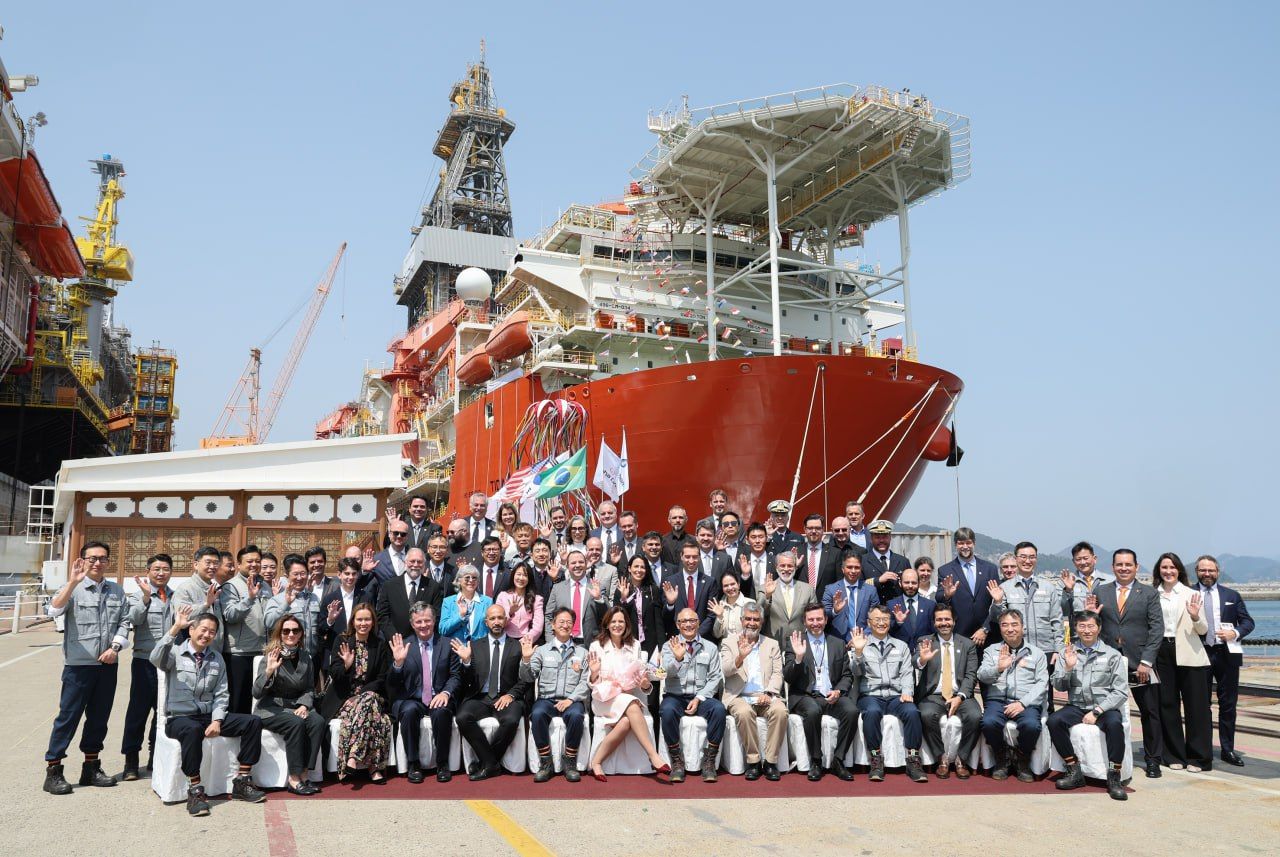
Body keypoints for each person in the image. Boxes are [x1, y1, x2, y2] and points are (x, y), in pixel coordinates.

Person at [150, 608, 266, 815]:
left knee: (253, 722)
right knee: (193, 729)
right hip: (180, 718)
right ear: (192, 629)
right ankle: (194, 790)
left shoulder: (217, 658)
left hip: (209, 717)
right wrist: (176, 628)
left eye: (212, 632)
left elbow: (222, 694)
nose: (207, 635)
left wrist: (217, 721)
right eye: (203, 630)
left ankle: (242, 781)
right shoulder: (175, 653)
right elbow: (155, 658)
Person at [42, 543, 130, 795]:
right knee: (68, 718)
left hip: (107, 665)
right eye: (92, 558)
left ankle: (91, 767)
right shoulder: (74, 588)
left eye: (102, 558)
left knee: (99, 718)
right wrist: (71, 582)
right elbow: (54, 609)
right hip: (78, 666)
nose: (97, 563)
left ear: (108, 562)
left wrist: (115, 647)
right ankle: (53, 770)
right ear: (83, 560)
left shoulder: (116, 591)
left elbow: (124, 622)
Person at [1093, 548, 1164, 778]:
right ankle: (1107, 757)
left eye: (1128, 564)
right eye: (1119, 564)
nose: (1123, 568)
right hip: (1109, 663)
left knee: (1150, 712)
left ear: (1136, 566)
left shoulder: (1149, 593)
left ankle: (1153, 760)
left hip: (1140, 664)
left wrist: (1147, 661)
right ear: (1113, 567)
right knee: (1107, 711)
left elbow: (1157, 629)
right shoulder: (1101, 591)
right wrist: (1088, 614)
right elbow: (1091, 624)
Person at [1047, 610, 1129, 800]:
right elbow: (1058, 685)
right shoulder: (1067, 652)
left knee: (1115, 725)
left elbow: (1121, 691)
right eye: (1082, 626)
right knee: (1054, 721)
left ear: (1099, 628)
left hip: (1104, 707)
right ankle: (1073, 769)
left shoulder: (1112, 655)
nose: (1087, 630)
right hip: (1076, 705)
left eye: (1091, 626)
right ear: (1075, 628)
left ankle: (1114, 775)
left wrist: (1097, 711)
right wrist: (1067, 668)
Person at [587, 606, 670, 781]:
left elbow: (642, 681)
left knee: (626, 722)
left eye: (621, 622)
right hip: (605, 699)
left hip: (626, 697)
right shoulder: (597, 645)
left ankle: (596, 762)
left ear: (627, 624)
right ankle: (653, 755)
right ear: (607, 624)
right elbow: (591, 682)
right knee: (633, 705)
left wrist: (645, 684)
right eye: (614, 621)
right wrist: (594, 672)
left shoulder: (635, 645)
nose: (617, 625)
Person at [849, 605, 928, 783]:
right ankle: (876, 760)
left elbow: (907, 673)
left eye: (885, 619)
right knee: (872, 713)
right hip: (871, 695)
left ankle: (913, 760)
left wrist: (907, 692)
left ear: (890, 623)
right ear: (869, 623)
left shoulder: (901, 646)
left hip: (895, 696)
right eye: (877, 620)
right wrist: (859, 652)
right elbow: (855, 671)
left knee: (912, 712)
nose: (881, 623)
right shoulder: (861, 644)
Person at [387, 603, 463, 783]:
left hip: (439, 696)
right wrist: (398, 664)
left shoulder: (446, 644)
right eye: (418, 621)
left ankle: (442, 763)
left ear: (434, 620)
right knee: (409, 711)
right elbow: (391, 683)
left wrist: (445, 693)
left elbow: (456, 675)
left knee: (442, 711)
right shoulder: (404, 645)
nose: (423, 625)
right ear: (412, 624)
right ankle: (413, 763)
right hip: (413, 698)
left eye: (427, 620)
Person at [452, 604, 529, 780]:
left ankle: (485, 763)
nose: (496, 622)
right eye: (492, 618)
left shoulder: (517, 646)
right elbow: (467, 682)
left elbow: (525, 680)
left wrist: (510, 695)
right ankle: (491, 763)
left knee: (511, 720)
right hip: (480, 697)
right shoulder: (474, 646)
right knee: (463, 717)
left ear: (506, 620)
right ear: (486, 622)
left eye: (500, 618)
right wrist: (466, 663)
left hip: (507, 697)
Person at [783, 602, 858, 781]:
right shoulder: (794, 641)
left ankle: (838, 760)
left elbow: (847, 675)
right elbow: (788, 677)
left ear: (825, 620)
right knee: (813, 711)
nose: (815, 623)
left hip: (832, 695)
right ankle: (816, 760)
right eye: (811, 619)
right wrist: (799, 658)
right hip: (805, 695)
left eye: (819, 619)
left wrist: (839, 691)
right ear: (804, 621)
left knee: (852, 711)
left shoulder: (838, 643)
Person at [1151, 552, 1212, 771]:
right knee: (1167, 705)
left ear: (1179, 570)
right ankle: (1174, 755)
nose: (1168, 571)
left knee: (1197, 707)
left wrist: (1195, 616)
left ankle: (1199, 757)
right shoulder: (1151, 594)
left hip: (1189, 651)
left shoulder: (1191, 593)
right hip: (1161, 652)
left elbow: (1204, 629)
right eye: (1164, 567)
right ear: (1159, 570)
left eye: (1172, 567)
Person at [253, 616, 326, 795]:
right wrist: (269, 671)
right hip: (271, 708)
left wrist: (304, 705)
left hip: (296, 706)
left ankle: (304, 774)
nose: (291, 634)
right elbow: (256, 692)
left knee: (317, 721)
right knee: (296, 723)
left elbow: (309, 687)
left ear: (301, 634)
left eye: (295, 630)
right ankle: (293, 779)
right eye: (286, 631)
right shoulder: (271, 655)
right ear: (280, 633)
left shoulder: (305, 657)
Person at [1195, 554, 1254, 767]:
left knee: (1228, 704)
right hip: (1199, 654)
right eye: (1203, 570)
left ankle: (1227, 749)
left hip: (1227, 655)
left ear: (1218, 572)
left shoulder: (1232, 595)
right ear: (1197, 572)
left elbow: (1248, 622)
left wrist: (1235, 633)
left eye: (1211, 570)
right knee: (1200, 705)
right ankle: (1202, 748)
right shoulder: (1189, 593)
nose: (1207, 574)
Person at [988, 542, 1064, 707]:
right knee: (1017, 691)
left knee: (1045, 697)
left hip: (1046, 650)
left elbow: (1057, 621)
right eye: (1023, 557)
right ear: (1016, 559)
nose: (1027, 561)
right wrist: (998, 601)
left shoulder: (1048, 587)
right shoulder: (1005, 587)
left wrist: (1058, 649)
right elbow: (995, 618)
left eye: (1031, 557)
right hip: (1016, 650)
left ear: (1036, 559)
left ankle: (1045, 730)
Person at [977, 610, 1048, 782]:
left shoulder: (1037, 653)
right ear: (1000, 628)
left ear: (1023, 627)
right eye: (1005, 625)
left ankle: (1022, 758)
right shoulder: (991, 650)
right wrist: (998, 668)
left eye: (1014, 624)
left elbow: (1042, 684)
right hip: (998, 699)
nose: (1010, 629)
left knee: (1031, 725)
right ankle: (1002, 756)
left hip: (1026, 702)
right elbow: (981, 675)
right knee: (988, 722)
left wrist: (1023, 703)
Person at [324, 603, 392, 782]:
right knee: (380, 720)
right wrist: (346, 665)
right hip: (345, 700)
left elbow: (382, 677)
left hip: (372, 695)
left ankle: (352, 757)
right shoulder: (342, 641)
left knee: (368, 700)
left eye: (367, 619)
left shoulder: (380, 644)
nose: (364, 623)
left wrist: (361, 695)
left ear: (373, 622)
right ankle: (373, 768)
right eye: (360, 619)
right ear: (353, 622)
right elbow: (335, 674)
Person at [120, 553, 173, 781]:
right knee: (137, 712)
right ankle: (131, 760)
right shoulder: (137, 595)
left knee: (162, 712)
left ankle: (155, 756)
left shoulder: (175, 596)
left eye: (165, 569)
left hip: (169, 662)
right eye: (156, 569)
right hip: (144, 661)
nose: (161, 573)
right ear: (148, 571)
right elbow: (133, 620)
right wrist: (144, 598)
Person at [720, 603, 787, 780]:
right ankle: (754, 761)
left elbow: (777, 673)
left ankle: (771, 763)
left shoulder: (771, 644)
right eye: (748, 618)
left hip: (765, 696)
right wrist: (740, 657)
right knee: (743, 712)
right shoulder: (729, 642)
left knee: (780, 711)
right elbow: (726, 670)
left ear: (762, 622)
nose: (751, 623)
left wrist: (770, 693)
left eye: (756, 619)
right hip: (739, 696)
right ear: (741, 620)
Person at [523, 608, 591, 782]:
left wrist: (570, 699)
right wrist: (526, 660)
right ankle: (546, 763)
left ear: (573, 627)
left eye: (569, 622)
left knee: (577, 715)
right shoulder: (542, 651)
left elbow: (585, 682)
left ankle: (570, 762)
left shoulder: (582, 653)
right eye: (561, 621)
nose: (565, 625)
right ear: (552, 625)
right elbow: (528, 677)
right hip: (547, 699)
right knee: (537, 714)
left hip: (571, 700)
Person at [915, 603, 981, 779]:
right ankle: (941, 758)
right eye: (939, 619)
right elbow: (916, 662)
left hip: (961, 695)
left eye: (947, 619)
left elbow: (970, 675)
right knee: (926, 714)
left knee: (975, 716)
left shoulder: (967, 644)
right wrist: (922, 660)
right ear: (934, 622)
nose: (943, 623)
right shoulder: (925, 641)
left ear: (954, 621)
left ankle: (961, 758)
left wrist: (960, 697)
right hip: (933, 695)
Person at [660, 608, 726, 783]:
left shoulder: (710, 647)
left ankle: (709, 761)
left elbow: (715, 678)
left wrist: (699, 698)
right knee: (666, 711)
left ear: (698, 623)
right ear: (677, 625)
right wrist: (678, 659)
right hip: (676, 696)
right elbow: (665, 672)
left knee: (719, 710)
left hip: (701, 697)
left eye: (692, 620)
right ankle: (676, 760)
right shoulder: (669, 646)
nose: (688, 624)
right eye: (683, 621)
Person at [219, 544, 272, 715]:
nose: (254, 564)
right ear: (239, 564)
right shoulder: (230, 586)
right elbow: (230, 615)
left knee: (258, 701)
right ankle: (235, 740)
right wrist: (249, 599)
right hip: (239, 653)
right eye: (249, 561)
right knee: (238, 701)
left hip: (262, 652)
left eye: (257, 561)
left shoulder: (265, 586)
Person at [936, 527, 999, 647]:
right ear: (955, 545)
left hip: (988, 635)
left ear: (974, 543)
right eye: (961, 543)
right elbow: (939, 598)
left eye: (968, 542)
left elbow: (998, 602)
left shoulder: (989, 569)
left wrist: (985, 628)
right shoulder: (945, 570)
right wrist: (947, 595)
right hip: (960, 634)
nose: (965, 546)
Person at [265, 554, 322, 656]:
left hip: (313, 656)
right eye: (295, 574)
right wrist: (286, 604)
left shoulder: (314, 598)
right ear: (287, 576)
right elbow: (268, 623)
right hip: (288, 657)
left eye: (303, 573)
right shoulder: (277, 599)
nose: (299, 578)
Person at [376, 547, 438, 641]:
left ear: (424, 565)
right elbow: (382, 616)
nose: (416, 565)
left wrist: (424, 636)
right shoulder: (389, 586)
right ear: (405, 562)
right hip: (396, 644)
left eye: (419, 562)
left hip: (424, 642)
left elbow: (436, 615)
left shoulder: (433, 587)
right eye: (412, 561)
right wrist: (395, 638)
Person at [545, 549, 605, 644]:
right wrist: (551, 641)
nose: (577, 565)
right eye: (573, 563)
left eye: (581, 562)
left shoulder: (596, 586)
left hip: (591, 644)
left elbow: (607, 616)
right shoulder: (558, 588)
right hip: (563, 643)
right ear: (567, 566)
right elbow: (549, 616)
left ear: (586, 565)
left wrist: (599, 599)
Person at [172, 546, 226, 650]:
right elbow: (182, 618)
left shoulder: (215, 588)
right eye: (208, 562)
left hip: (214, 650)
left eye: (216, 563)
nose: (212, 566)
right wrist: (205, 605)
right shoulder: (185, 588)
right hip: (191, 651)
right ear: (196, 565)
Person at [823, 551, 880, 641]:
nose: (853, 571)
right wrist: (835, 611)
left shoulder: (871, 590)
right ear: (842, 569)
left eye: (857, 567)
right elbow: (823, 616)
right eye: (849, 567)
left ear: (861, 569)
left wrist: (862, 637)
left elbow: (876, 617)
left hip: (864, 640)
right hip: (838, 640)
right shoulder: (831, 589)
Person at [613, 554, 663, 651]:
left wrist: (661, 649)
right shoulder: (621, 589)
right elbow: (616, 618)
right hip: (627, 642)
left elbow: (658, 622)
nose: (639, 570)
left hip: (650, 644)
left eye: (642, 567)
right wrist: (624, 599)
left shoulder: (653, 590)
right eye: (636, 566)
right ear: (629, 568)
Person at [661, 543, 714, 634]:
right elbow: (665, 616)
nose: (691, 560)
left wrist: (696, 634)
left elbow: (711, 615)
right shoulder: (670, 582)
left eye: (695, 557)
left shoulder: (710, 582)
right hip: (677, 638)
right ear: (681, 557)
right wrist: (670, 604)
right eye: (687, 556)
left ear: (700, 557)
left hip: (701, 638)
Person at [319, 558, 368, 653]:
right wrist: (330, 620)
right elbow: (320, 629)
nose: (350, 577)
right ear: (339, 575)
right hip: (335, 649)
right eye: (347, 573)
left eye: (354, 574)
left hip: (360, 648)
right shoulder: (329, 599)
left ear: (358, 575)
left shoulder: (366, 597)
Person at [762, 551, 813, 642]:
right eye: (782, 565)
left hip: (799, 643)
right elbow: (759, 614)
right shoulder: (764, 588)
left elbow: (813, 616)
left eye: (790, 566)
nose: (786, 569)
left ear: (795, 567)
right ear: (776, 567)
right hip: (773, 642)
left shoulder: (808, 589)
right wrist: (768, 596)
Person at [861, 519, 910, 602]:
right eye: (877, 537)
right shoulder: (863, 561)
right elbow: (857, 586)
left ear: (890, 538)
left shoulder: (903, 561)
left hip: (897, 611)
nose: (881, 541)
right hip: (872, 610)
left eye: (885, 537)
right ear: (871, 539)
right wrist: (878, 580)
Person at [887, 567, 935, 652]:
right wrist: (898, 623)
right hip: (899, 653)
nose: (910, 586)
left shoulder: (930, 605)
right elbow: (887, 631)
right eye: (906, 582)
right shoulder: (891, 605)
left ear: (919, 583)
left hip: (923, 653)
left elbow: (934, 632)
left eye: (913, 583)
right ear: (900, 583)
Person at [440, 567, 494, 641]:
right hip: (455, 649)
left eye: (474, 578)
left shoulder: (488, 602)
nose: (471, 580)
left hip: (480, 649)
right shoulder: (448, 602)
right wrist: (460, 616)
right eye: (467, 577)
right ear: (459, 580)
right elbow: (443, 630)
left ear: (478, 581)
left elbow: (491, 628)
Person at [496, 562, 545, 640]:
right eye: (518, 574)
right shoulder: (502, 596)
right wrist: (510, 613)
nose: (521, 578)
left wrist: (522, 643)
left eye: (525, 575)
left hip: (525, 640)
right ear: (513, 575)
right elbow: (497, 623)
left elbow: (538, 628)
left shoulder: (536, 599)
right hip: (503, 640)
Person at [705, 572, 756, 643]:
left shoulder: (750, 603)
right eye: (726, 586)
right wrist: (719, 617)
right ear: (722, 588)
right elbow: (717, 635)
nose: (730, 588)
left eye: (732, 584)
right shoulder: (719, 606)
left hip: (746, 645)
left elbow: (754, 630)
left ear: (738, 584)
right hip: (725, 648)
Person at [798, 514, 841, 595]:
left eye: (817, 528)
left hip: (825, 603)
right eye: (810, 528)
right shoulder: (796, 552)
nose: (814, 531)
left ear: (823, 530)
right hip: (802, 602)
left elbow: (839, 581)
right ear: (805, 529)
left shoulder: (835, 553)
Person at [738, 522, 774, 596]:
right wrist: (745, 575)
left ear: (766, 538)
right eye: (753, 537)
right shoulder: (741, 561)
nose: (757, 541)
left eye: (761, 537)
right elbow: (737, 588)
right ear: (747, 539)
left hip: (770, 604)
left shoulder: (775, 561)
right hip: (747, 604)